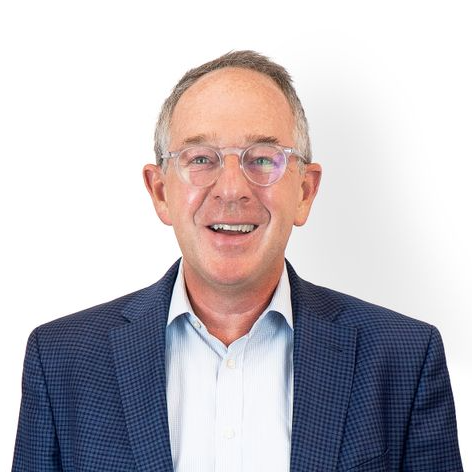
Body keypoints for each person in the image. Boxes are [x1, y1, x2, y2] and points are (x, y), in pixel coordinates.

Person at [12, 50, 462, 471]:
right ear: (160, 192)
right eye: (201, 158)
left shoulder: (404, 358)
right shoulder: (61, 360)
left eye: (263, 159)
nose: (231, 190)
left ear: (305, 192)